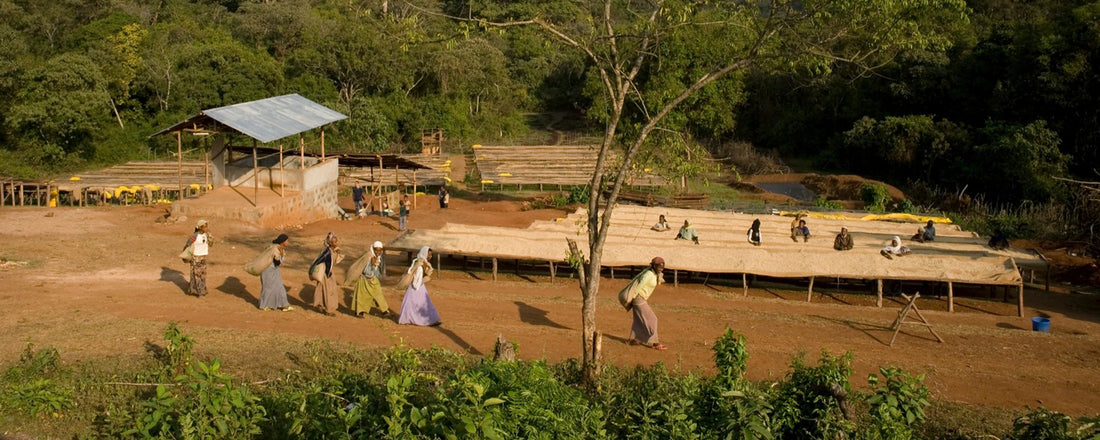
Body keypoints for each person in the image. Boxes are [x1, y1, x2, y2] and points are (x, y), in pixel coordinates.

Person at [626, 257, 667, 350]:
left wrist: (659, 276)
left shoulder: (654, 274)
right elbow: (639, 285)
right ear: (654, 266)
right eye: (659, 267)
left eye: (662, 267)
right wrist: (633, 298)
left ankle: (635, 339)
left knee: (639, 319)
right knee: (653, 319)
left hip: (641, 298)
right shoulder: (648, 274)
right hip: (638, 298)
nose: (661, 269)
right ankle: (655, 343)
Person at [399, 246, 441, 326]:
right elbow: (416, 283)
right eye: (429, 255)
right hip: (417, 289)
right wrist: (425, 279)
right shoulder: (420, 267)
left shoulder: (416, 261)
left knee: (413, 305)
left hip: (412, 289)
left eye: (431, 255)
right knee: (423, 305)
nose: (430, 256)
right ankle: (424, 320)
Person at [352, 241, 390, 317]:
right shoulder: (369, 257)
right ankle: (359, 312)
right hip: (364, 280)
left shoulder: (379, 258)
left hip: (373, 280)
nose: (378, 252)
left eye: (380, 250)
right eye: (376, 250)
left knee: (379, 294)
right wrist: (371, 265)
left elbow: (379, 270)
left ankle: (384, 310)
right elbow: (366, 271)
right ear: (373, 249)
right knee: (362, 296)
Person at [310, 232, 343, 315]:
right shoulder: (327, 252)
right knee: (329, 292)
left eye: (337, 241)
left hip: (326, 273)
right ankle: (329, 310)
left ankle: (319, 304)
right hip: (326, 274)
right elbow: (318, 261)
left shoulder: (331, 250)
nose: (337, 243)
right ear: (330, 243)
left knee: (321, 289)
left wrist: (337, 252)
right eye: (335, 242)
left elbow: (333, 261)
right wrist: (312, 270)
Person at [259, 234, 293, 311]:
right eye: (287, 241)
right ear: (283, 242)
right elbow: (277, 261)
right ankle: (264, 305)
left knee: (279, 286)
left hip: (274, 270)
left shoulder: (279, 248)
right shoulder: (275, 248)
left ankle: (284, 305)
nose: (288, 242)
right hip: (268, 270)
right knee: (268, 287)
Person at [183, 219, 211, 297]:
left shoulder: (206, 235)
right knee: (197, 275)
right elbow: (187, 245)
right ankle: (200, 292)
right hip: (196, 257)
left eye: (207, 227)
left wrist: (210, 237)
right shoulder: (194, 236)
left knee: (202, 274)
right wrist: (186, 255)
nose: (206, 228)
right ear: (200, 227)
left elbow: (211, 244)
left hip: (203, 256)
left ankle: (195, 289)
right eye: (204, 227)